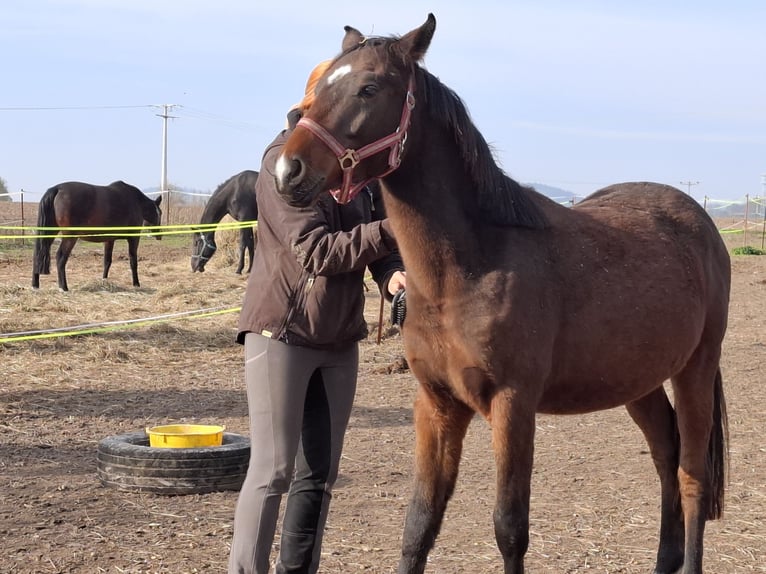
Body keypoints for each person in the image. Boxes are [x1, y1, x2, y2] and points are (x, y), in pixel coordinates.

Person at [228, 61, 407, 574]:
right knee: (273, 469)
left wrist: (392, 273)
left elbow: (373, 242)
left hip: (338, 339)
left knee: (318, 474)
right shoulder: (282, 163)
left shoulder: (355, 175)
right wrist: (399, 229)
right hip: (281, 333)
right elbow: (317, 252)